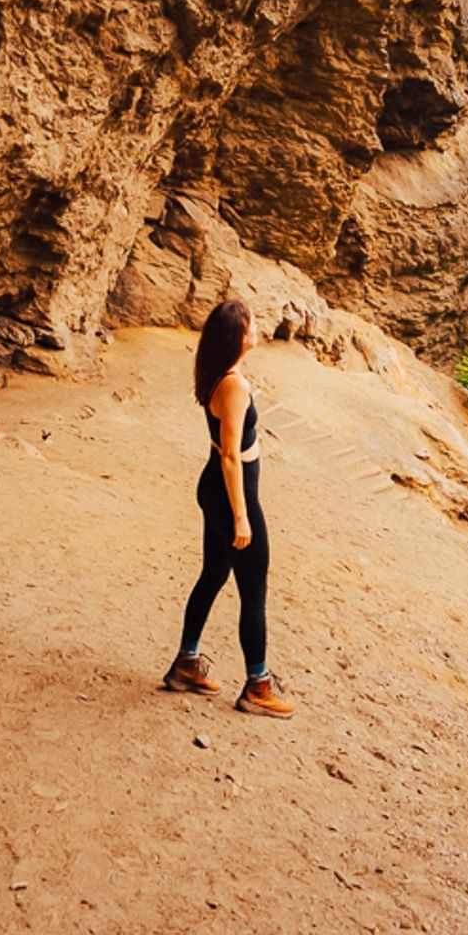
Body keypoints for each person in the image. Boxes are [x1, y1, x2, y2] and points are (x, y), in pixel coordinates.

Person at [162, 297, 294, 716]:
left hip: (214, 490)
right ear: (237, 336)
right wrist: (241, 515)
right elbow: (231, 456)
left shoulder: (221, 374)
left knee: (214, 573)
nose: (257, 328)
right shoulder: (235, 386)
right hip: (229, 493)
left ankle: (186, 664)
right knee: (253, 590)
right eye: (251, 324)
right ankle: (258, 686)